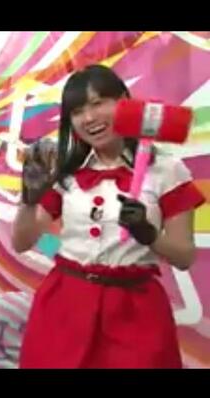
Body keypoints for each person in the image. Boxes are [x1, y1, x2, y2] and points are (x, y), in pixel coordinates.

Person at [12, 64, 206, 368]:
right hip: (65, 306)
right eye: (77, 111)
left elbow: (184, 256)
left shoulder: (167, 171)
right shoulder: (65, 172)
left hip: (135, 310)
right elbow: (22, 242)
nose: (89, 118)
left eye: (98, 103)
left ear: (124, 101)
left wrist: (148, 234)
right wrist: (28, 200)